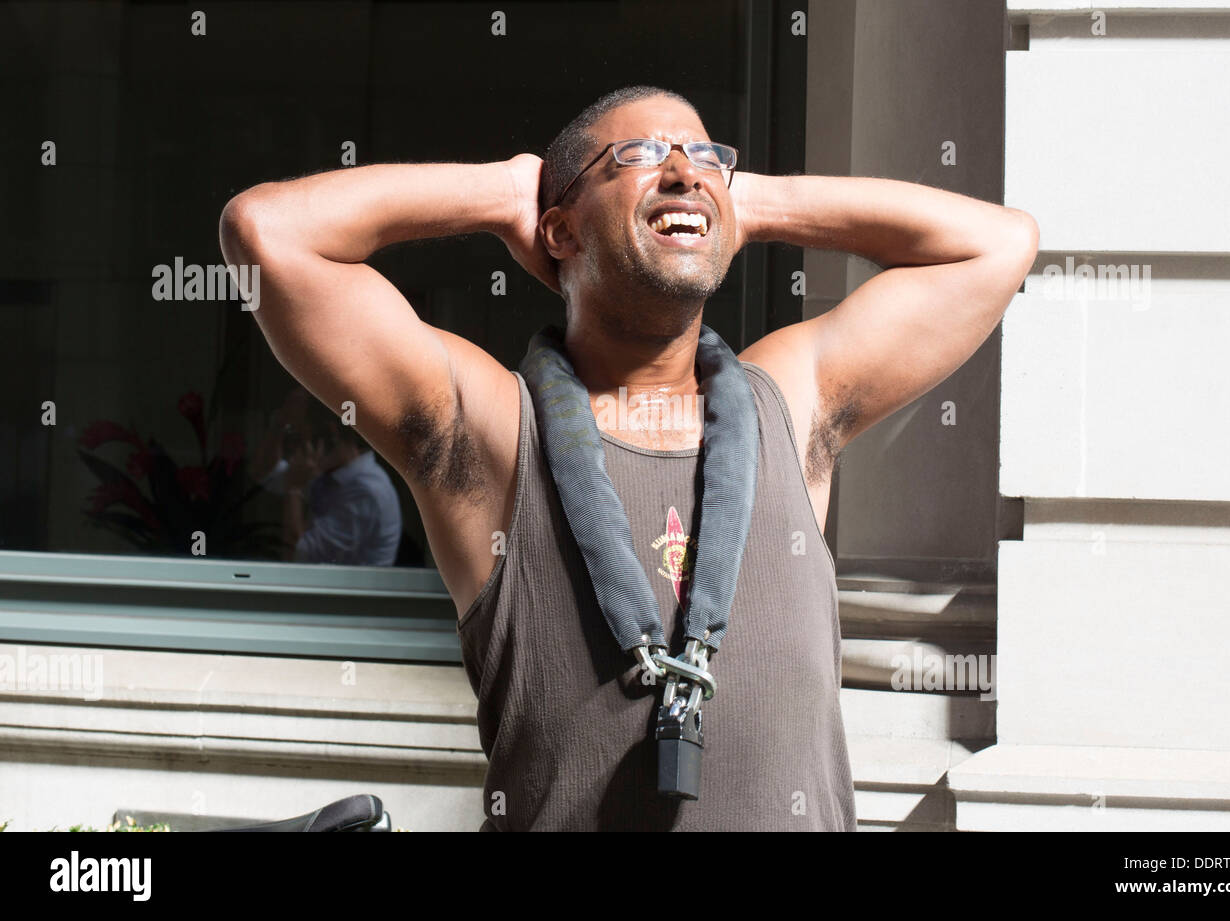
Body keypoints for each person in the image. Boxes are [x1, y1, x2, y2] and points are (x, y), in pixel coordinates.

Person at [218, 85, 1038, 830]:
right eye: (639, 155)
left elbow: (999, 244)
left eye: (706, 156)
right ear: (561, 227)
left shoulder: (790, 399)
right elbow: (269, 234)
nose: (684, 171)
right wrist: (509, 191)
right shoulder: (496, 432)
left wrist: (746, 199)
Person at [251, 385, 403, 566]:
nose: (297, 450)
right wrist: (279, 423)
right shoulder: (330, 473)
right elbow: (263, 473)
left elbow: (299, 554)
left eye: (302, 439)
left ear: (331, 435)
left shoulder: (366, 491)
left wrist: (294, 489)